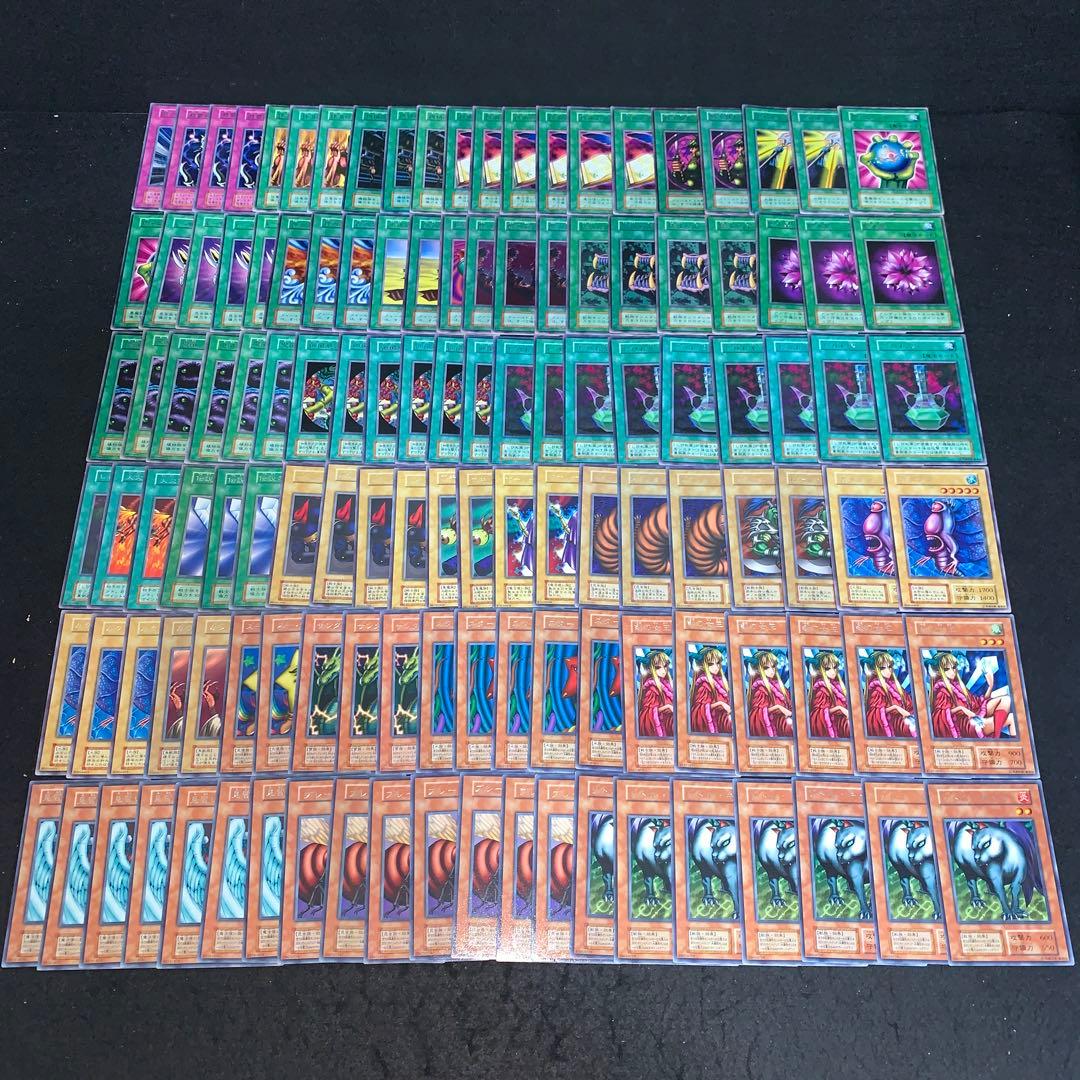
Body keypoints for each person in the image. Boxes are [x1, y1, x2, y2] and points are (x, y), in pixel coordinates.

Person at [928, 652, 1014, 739]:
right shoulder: (941, 690)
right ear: (939, 672)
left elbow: (977, 703)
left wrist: (990, 685)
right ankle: (996, 738)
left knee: (1006, 699)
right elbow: (939, 715)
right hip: (965, 726)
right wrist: (961, 709)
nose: (952, 671)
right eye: (947, 669)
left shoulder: (958, 685)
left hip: (974, 714)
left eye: (954, 667)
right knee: (1011, 718)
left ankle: (996, 737)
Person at [862, 650, 916, 738]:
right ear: (875, 670)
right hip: (892, 725)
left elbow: (909, 703)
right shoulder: (876, 687)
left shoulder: (894, 684)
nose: (888, 670)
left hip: (904, 721)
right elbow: (875, 713)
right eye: (883, 668)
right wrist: (896, 708)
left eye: (890, 666)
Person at [746, 651, 793, 737]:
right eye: (766, 668)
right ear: (758, 669)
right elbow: (758, 712)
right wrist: (779, 707)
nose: (771, 671)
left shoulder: (778, 684)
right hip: (773, 725)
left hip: (784, 722)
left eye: (773, 666)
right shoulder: (760, 687)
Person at [807, 651, 850, 739]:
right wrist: (840, 709)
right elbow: (819, 713)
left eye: (834, 667)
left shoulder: (837, 684)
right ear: (820, 670)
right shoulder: (821, 688)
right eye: (827, 669)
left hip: (841, 724)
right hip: (831, 726)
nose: (833, 671)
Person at [689, 648, 732, 734]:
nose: (716, 667)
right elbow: (700, 708)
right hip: (712, 723)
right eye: (711, 664)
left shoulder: (719, 680)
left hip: (723, 720)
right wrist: (721, 704)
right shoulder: (704, 683)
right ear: (703, 665)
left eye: (718, 663)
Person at [637, 650, 674, 738]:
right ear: (650, 669)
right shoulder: (651, 687)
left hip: (667, 723)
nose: (663, 670)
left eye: (665, 666)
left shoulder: (665, 682)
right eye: (658, 667)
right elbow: (648, 712)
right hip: (658, 726)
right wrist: (668, 707)